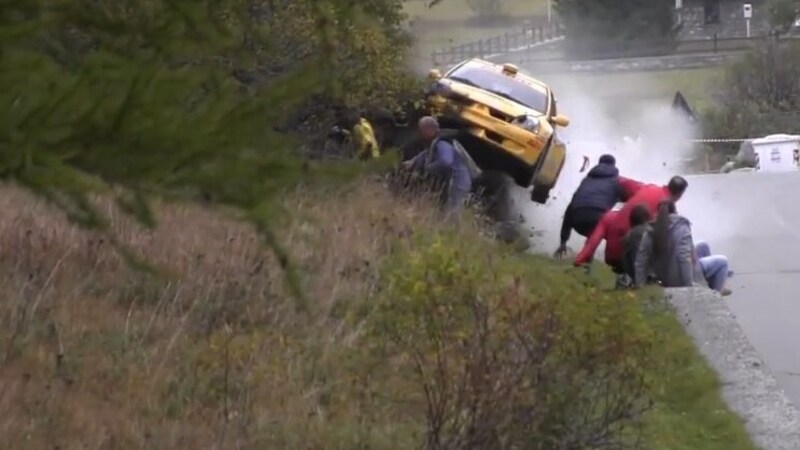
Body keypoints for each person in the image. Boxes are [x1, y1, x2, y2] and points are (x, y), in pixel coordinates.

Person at [554, 154, 644, 259]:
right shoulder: (617, 181)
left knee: (578, 210)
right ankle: (619, 259)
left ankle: (579, 254)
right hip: (598, 220)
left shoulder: (586, 180)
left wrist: (563, 241)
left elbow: (571, 208)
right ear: (614, 165)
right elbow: (628, 199)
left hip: (577, 220)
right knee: (610, 223)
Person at [402, 116, 478, 215]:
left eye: (421, 130)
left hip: (457, 182)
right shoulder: (437, 142)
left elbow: (446, 162)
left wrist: (428, 168)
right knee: (445, 210)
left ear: (429, 129)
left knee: (453, 212)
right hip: (454, 181)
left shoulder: (443, 144)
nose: (420, 134)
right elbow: (427, 153)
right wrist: (413, 161)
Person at [634, 200, 700, 289]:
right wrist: (689, 286)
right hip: (679, 280)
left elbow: (640, 262)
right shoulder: (682, 228)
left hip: (660, 279)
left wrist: (640, 286)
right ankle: (715, 290)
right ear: (675, 211)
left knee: (701, 246)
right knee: (717, 262)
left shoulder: (650, 231)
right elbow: (684, 258)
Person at [612, 175, 689, 236]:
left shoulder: (650, 187)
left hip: (614, 229)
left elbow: (626, 183)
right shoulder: (666, 207)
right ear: (679, 195)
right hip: (628, 238)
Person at [622, 204, 653, 285]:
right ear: (646, 219)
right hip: (649, 275)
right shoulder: (650, 232)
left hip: (634, 274)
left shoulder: (628, 235)